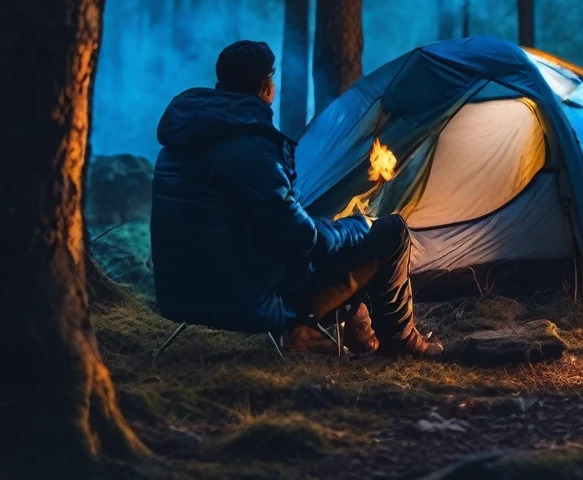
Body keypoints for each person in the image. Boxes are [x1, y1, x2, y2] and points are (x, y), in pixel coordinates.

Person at [149, 40, 443, 357]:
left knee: (334, 242)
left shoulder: (181, 141)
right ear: (266, 87)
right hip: (247, 302)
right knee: (391, 232)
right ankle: (402, 342)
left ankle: (358, 329)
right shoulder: (249, 147)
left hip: (182, 295)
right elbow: (306, 240)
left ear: (222, 85)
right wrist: (359, 225)